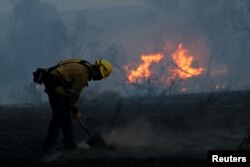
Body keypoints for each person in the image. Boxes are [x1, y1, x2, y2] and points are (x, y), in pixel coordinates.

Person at [41, 58, 112, 152]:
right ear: (96, 69)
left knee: (65, 117)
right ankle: (48, 147)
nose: (98, 79)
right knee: (59, 116)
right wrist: (76, 111)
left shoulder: (83, 64)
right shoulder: (83, 74)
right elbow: (74, 95)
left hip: (56, 84)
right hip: (55, 86)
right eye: (99, 76)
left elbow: (61, 64)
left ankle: (69, 145)